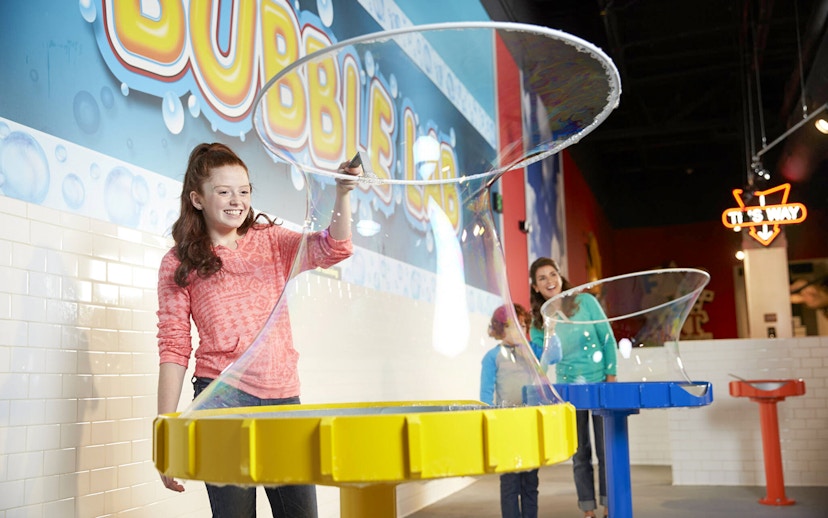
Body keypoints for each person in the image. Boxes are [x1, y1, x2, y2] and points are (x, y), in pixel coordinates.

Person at [155, 142, 360, 517]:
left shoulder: (271, 241)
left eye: (244, 191)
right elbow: (173, 345)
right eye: (224, 191)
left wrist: (343, 193)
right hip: (221, 401)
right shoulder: (178, 262)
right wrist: (166, 429)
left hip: (283, 400)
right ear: (197, 199)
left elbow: (334, 248)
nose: (237, 201)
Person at [528, 257, 617, 518]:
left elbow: (608, 340)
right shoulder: (538, 322)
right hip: (568, 391)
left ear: (560, 276)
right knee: (580, 455)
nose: (549, 281)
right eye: (542, 278)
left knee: (605, 451)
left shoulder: (586, 302)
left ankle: (609, 506)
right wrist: (549, 332)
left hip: (600, 385)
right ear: (535, 287)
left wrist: (611, 380)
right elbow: (542, 364)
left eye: (552, 274)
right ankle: (587, 509)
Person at [480, 303, 540, 518]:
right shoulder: (492, 357)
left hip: (529, 425)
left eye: (522, 326)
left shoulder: (531, 353)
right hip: (506, 428)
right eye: (511, 326)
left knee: (530, 483)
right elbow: (485, 395)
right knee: (510, 484)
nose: (518, 331)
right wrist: (489, 425)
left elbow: (554, 356)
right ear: (499, 329)